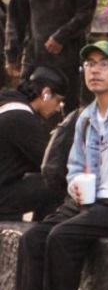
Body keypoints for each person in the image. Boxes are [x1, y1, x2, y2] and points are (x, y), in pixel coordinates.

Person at [0, 42, 108, 290]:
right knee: (34, 238)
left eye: (105, 64)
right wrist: (76, 182)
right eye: (90, 64)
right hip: (89, 201)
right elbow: (74, 166)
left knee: (63, 236)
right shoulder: (85, 117)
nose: (96, 70)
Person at [0, 67, 68, 220]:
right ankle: (43, 236)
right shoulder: (21, 118)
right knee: (55, 183)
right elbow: (49, 163)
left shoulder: (8, 104)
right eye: (58, 101)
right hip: (3, 199)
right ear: (46, 94)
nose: (58, 108)